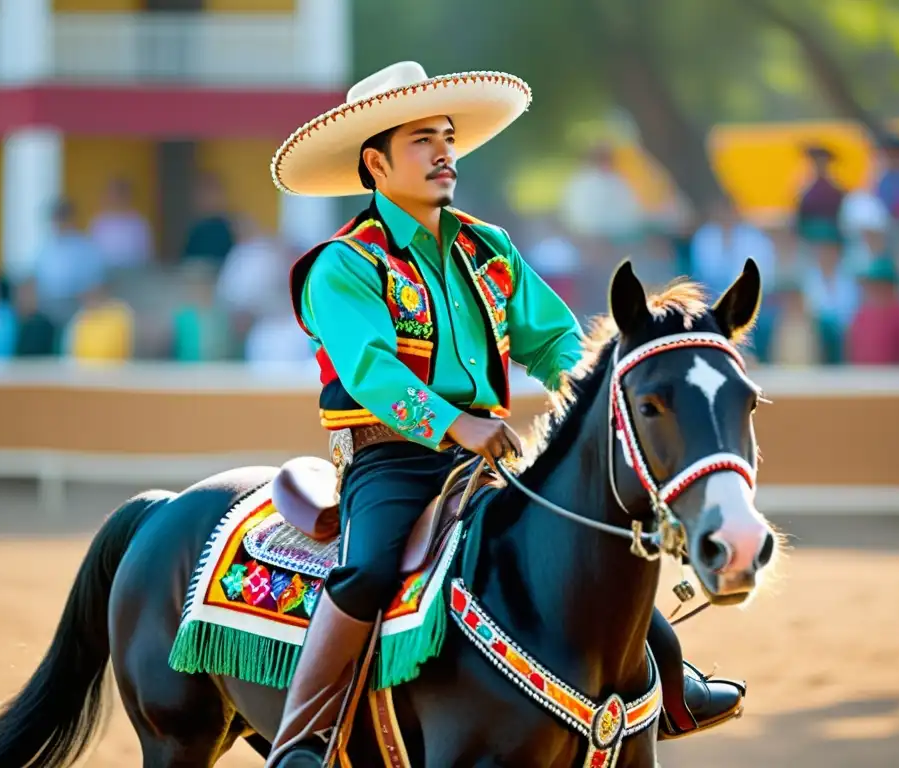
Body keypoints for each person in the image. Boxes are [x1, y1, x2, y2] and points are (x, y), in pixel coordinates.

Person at [266, 61, 746, 765]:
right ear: (375, 160)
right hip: (391, 460)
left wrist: (595, 392)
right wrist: (454, 423)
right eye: (422, 140)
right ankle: (303, 736)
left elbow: (554, 341)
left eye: (448, 137)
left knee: (600, 543)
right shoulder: (343, 265)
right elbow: (370, 370)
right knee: (368, 569)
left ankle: (670, 685)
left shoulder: (489, 249)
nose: (443, 153)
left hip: (486, 456)